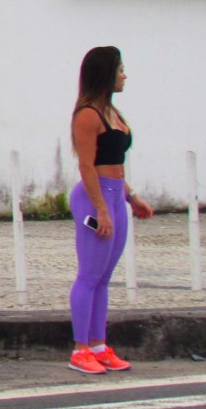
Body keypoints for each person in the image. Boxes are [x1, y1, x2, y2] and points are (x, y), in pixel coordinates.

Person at [68, 46, 154, 375]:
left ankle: (99, 345)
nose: (124, 75)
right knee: (89, 276)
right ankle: (80, 349)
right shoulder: (88, 114)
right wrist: (102, 210)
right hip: (95, 199)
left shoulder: (113, 112)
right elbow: (88, 167)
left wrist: (131, 198)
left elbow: (114, 165)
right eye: (120, 69)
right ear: (105, 73)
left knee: (104, 279)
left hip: (115, 197)